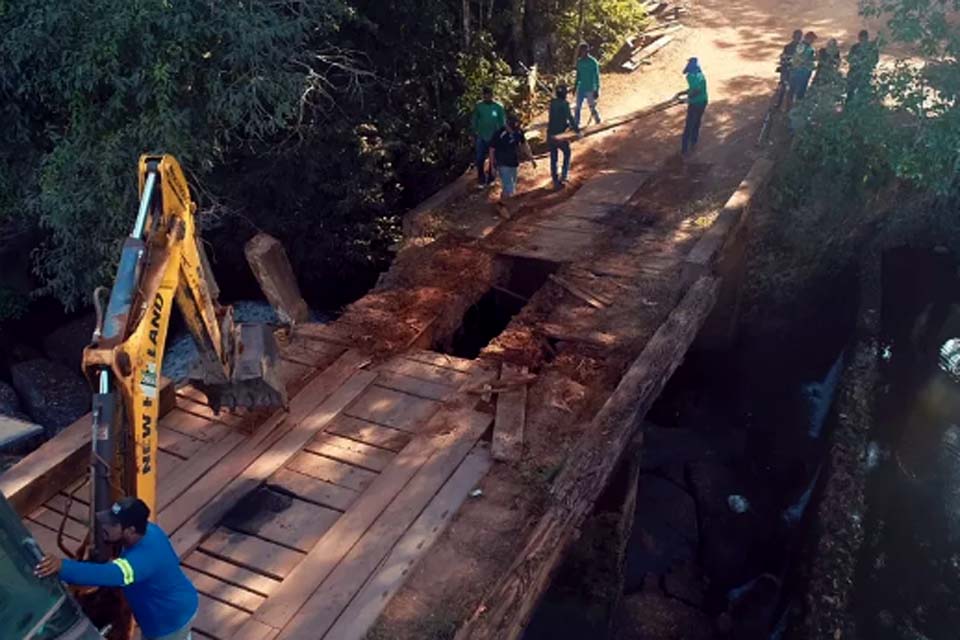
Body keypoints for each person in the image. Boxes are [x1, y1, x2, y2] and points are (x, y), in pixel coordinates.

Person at [35, 497, 199, 640]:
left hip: (170, 621)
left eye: (112, 524)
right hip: (169, 608)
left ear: (130, 530)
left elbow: (108, 574)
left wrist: (62, 566)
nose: (105, 526)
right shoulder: (148, 531)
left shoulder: (142, 561)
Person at [489, 115, 536, 216]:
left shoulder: (518, 132)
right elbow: (492, 150)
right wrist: (492, 166)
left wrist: (531, 158)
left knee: (512, 186)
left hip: (513, 163)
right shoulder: (499, 134)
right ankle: (502, 207)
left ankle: (501, 203)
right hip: (502, 163)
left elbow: (524, 144)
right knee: (509, 187)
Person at [471, 86, 507, 189]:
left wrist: (501, 135)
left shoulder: (498, 107)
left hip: (494, 137)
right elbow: (474, 120)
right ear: (483, 96)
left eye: (489, 95)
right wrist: (474, 132)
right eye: (485, 95)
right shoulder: (479, 106)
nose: (487, 97)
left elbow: (502, 122)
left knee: (493, 159)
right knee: (479, 158)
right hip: (482, 136)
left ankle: (491, 178)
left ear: (492, 95)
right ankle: (481, 180)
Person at [547, 84, 579, 189]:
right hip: (559, 135)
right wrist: (576, 129)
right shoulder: (564, 104)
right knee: (567, 152)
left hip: (550, 134)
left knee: (553, 157)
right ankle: (564, 175)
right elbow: (569, 117)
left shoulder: (552, 103)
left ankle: (555, 179)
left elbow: (556, 117)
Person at [678, 57, 708, 156]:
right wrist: (683, 93)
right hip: (703, 101)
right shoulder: (701, 75)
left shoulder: (691, 76)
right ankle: (694, 141)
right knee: (697, 122)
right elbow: (694, 88)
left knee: (689, 125)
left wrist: (687, 99)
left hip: (695, 103)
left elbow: (696, 90)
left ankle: (684, 149)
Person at [574, 43, 602, 127]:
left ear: (588, 51)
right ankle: (576, 123)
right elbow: (578, 75)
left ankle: (598, 120)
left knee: (592, 107)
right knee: (578, 106)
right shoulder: (579, 62)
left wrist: (596, 89)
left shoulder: (593, 62)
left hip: (590, 88)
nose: (583, 53)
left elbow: (597, 76)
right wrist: (575, 86)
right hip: (581, 88)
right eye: (582, 51)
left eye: (585, 51)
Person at [847, 29, 879, 103]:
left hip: (865, 73)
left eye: (864, 38)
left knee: (864, 92)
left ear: (867, 38)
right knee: (850, 92)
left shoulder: (872, 48)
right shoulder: (855, 47)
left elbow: (875, 60)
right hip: (854, 72)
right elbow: (849, 59)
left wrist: (867, 62)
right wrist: (856, 61)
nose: (862, 40)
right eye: (861, 38)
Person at [787, 31, 817, 106]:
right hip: (801, 71)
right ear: (808, 38)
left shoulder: (805, 46)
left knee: (796, 89)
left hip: (801, 71)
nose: (813, 41)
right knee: (798, 90)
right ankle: (794, 106)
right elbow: (801, 58)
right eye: (812, 39)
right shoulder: (803, 46)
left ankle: (792, 106)